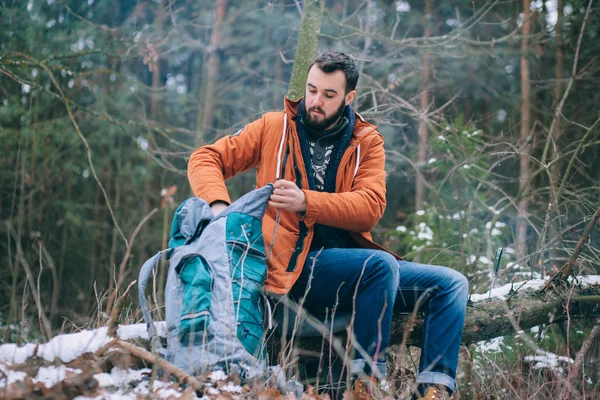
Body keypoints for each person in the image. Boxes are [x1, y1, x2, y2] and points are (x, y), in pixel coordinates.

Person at [187, 50, 468, 400]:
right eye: (312, 89)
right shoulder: (275, 127)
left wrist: (307, 201)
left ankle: (435, 390)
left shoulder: (367, 142)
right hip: (293, 270)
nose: (315, 101)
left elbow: (369, 209)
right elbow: (205, 157)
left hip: (356, 267)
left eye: (329, 95)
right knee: (379, 266)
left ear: (349, 97)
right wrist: (219, 207)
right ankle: (365, 386)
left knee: (451, 285)